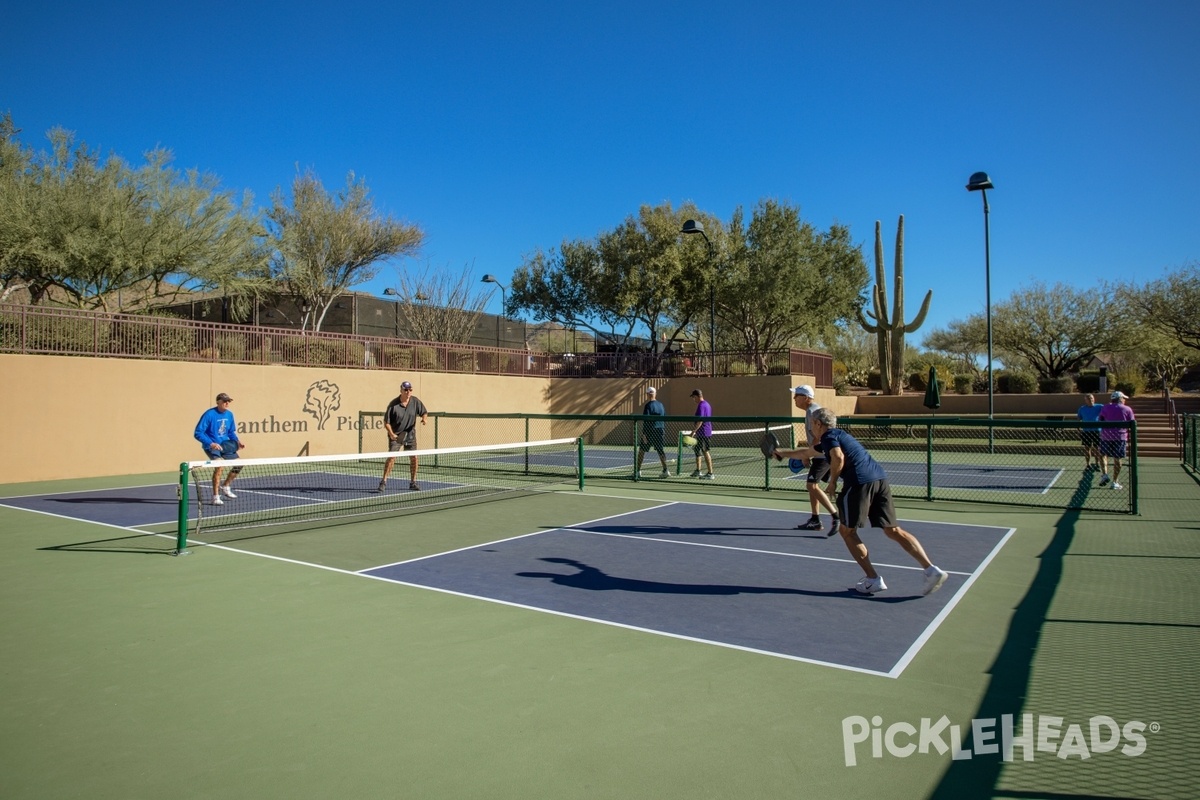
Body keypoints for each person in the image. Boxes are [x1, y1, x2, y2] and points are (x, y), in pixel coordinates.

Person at [777, 407, 948, 596]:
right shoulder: (840, 436)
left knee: (847, 531)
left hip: (859, 483)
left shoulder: (828, 437)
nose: (810, 428)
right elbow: (806, 453)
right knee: (893, 530)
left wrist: (832, 482)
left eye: (811, 425)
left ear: (819, 424)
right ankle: (931, 570)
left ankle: (873, 579)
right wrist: (781, 453)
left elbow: (838, 457)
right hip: (879, 479)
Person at [774, 385, 840, 533]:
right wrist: (807, 454)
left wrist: (807, 454)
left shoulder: (812, 412)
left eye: (796, 395)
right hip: (820, 454)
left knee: (812, 486)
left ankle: (836, 516)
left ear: (805, 398)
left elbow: (818, 438)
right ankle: (815, 520)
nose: (794, 399)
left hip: (821, 455)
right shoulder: (812, 410)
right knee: (812, 486)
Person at [193, 392, 244, 505]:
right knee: (219, 466)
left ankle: (225, 486)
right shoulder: (209, 414)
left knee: (239, 464)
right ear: (218, 402)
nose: (227, 403)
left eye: (228, 401)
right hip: (211, 446)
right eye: (224, 401)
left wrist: (237, 441)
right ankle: (215, 497)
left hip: (225, 445)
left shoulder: (229, 415)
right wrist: (211, 443)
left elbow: (230, 432)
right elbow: (198, 433)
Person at [380, 380, 428, 491]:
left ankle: (413, 482)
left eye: (410, 390)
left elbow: (424, 412)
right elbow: (386, 422)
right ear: (401, 390)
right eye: (406, 390)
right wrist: (391, 434)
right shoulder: (393, 405)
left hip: (410, 435)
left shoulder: (415, 401)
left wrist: (424, 419)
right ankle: (383, 481)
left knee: (414, 458)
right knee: (391, 458)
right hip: (396, 436)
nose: (408, 392)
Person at [1097, 390, 1135, 490]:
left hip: (1106, 436)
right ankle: (1115, 482)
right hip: (1120, 437)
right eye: (1124, 398)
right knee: (1117, 458)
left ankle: (1105, 475)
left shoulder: (1105, 407)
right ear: (1120, 399)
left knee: (1102, 455)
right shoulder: (1127, 409)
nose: (1124, 400)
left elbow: (1100, 419)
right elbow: (1132, 422)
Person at [635, 386, 671, 479]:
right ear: (655, 394)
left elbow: (646, 420)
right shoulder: (661, 405)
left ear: (647, 394)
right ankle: (665, 470)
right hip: (660, 431)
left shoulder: (648, 406)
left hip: (650, 432)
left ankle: (637, 471)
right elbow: (664, 417)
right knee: (660, 450)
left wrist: (644, 434)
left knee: (642, 451)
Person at [689, 389, 714, 480]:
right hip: (701, 433)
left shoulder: (702, 405)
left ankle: (710, 473)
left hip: (704, 432)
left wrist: (693, 432)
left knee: (705, 451)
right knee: (697, 450)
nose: (693, 399)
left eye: (693, 397)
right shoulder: (706, 404)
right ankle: (698, 470)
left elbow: (700, 420)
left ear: (697, 396)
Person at [1076, 393, 1104, 469]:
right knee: (1087, 448)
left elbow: (1106, 413)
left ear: (1094, 399)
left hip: (1096, 431)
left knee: (1097, 448)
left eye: (1091, 398)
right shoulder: (1082, 409)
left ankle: (1097, 464)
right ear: (1085, 400)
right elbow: (1079, 419)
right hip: (1086, 432)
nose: (1090, 400)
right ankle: (1088, 464)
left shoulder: (1100, 407)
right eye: (1088, 399)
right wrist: (1078, 430)